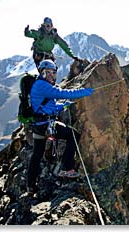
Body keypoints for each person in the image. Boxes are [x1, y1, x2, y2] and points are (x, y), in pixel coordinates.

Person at [26, 59, 93, 193]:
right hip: (46, 125)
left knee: (37, 155)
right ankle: (67, 169)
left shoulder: (39, 84)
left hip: (39, 124)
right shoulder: (43, 86)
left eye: (53, 73)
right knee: (73, 135)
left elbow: (48, 105)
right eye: (48, 72)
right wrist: (84, 92)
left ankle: (30, 185)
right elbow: (63, 93)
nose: (51, 75)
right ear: (42, 73)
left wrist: (62, 105)